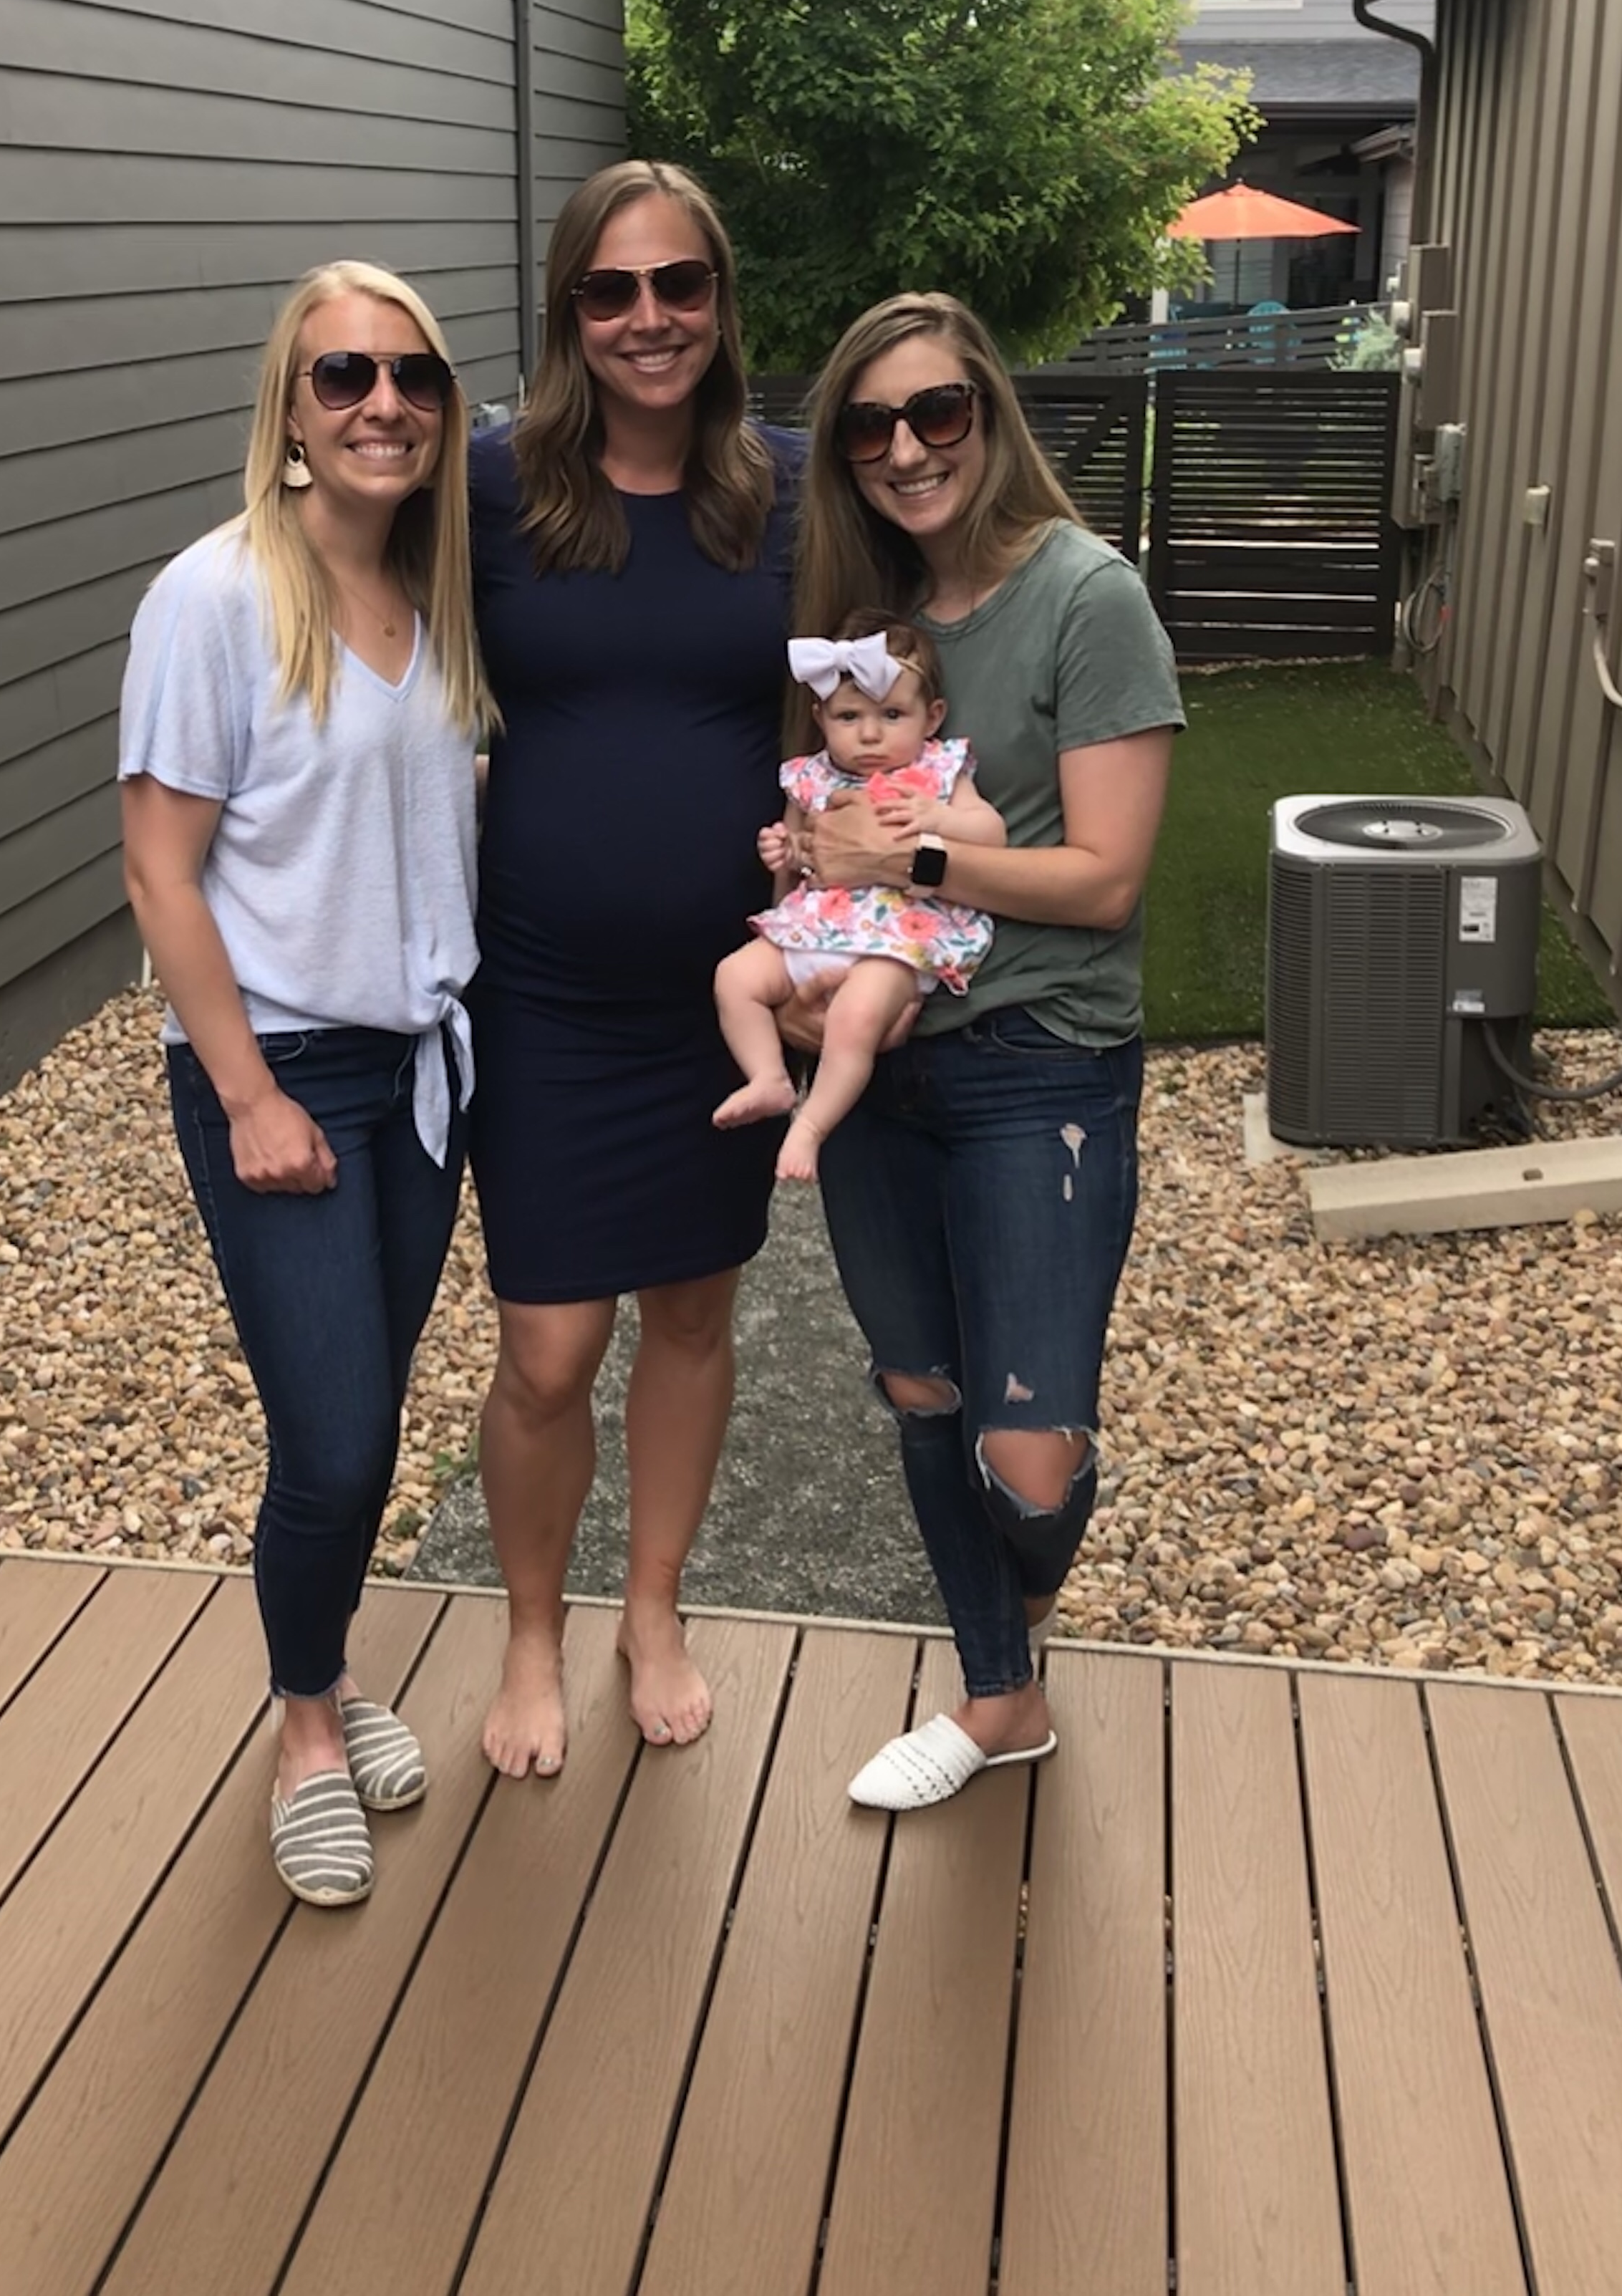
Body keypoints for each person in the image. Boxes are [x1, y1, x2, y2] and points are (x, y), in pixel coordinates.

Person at [119, 261, 488, 1904]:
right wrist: (250, 1095)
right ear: (289, 405)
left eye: (412, 377)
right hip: (285, 1076)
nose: (382, 405)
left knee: (372, 1413)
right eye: (345, 376)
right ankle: (306, 1730)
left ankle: (330, 1665)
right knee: (333, 1442)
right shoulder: (214, 599)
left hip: (425, 1074)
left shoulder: (439, 593)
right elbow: (159, 871)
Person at [788, 291, 1181, 1812]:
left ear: (987, 415)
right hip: (881, 1065)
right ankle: (1000, 1695)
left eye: (935, 412)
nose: (905, 449)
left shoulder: (1088, 595)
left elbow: (1105, 879)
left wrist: (908, 863)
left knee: (1027, 1456)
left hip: (1040, 1062)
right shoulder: (868, 624)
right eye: (868, 425)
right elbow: (817, 828)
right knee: (922, 1393)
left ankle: (1015, 1582)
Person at [468, 161, 799, 1780]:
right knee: (546, 1350)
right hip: (540, 997)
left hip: (718, 1003)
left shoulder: (784, 492)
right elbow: (333, 585)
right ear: (568, 311)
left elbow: (899, 674)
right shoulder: (492, 487)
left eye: (680, 284)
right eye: (611, 290)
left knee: (689, 1309)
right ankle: (531, 1626)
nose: (648, 318)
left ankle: (650, 1606)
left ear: (720, 302)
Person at [713, 618, 1003, 1182]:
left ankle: (812, 1126)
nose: (870, 735)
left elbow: (992, 833)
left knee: (857, 1015)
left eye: (892, 715)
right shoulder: (809, 778)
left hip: (897, 940)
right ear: (821, 718)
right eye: (849, 717)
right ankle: (768, 1077)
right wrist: (785, 850)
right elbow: (801, 856)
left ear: (932, 717)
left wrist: (939, 818)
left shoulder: (938, 771)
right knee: (734, 977)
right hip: (817, 926)